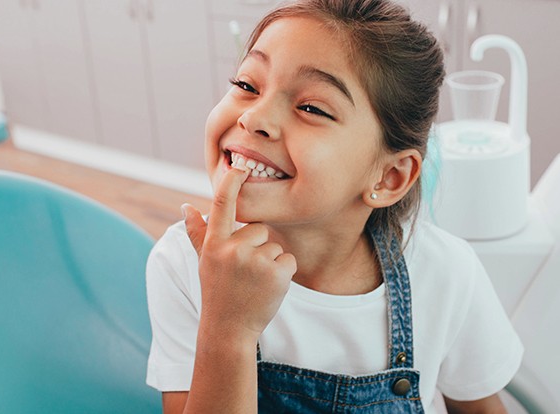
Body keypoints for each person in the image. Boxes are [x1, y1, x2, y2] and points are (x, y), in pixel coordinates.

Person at [145, 0, 523, 412]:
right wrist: (227, 327)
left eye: (311, 108)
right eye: (247, 85)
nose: (254, 117)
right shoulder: (185, 263)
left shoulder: (447, 274)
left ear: (389, 177)